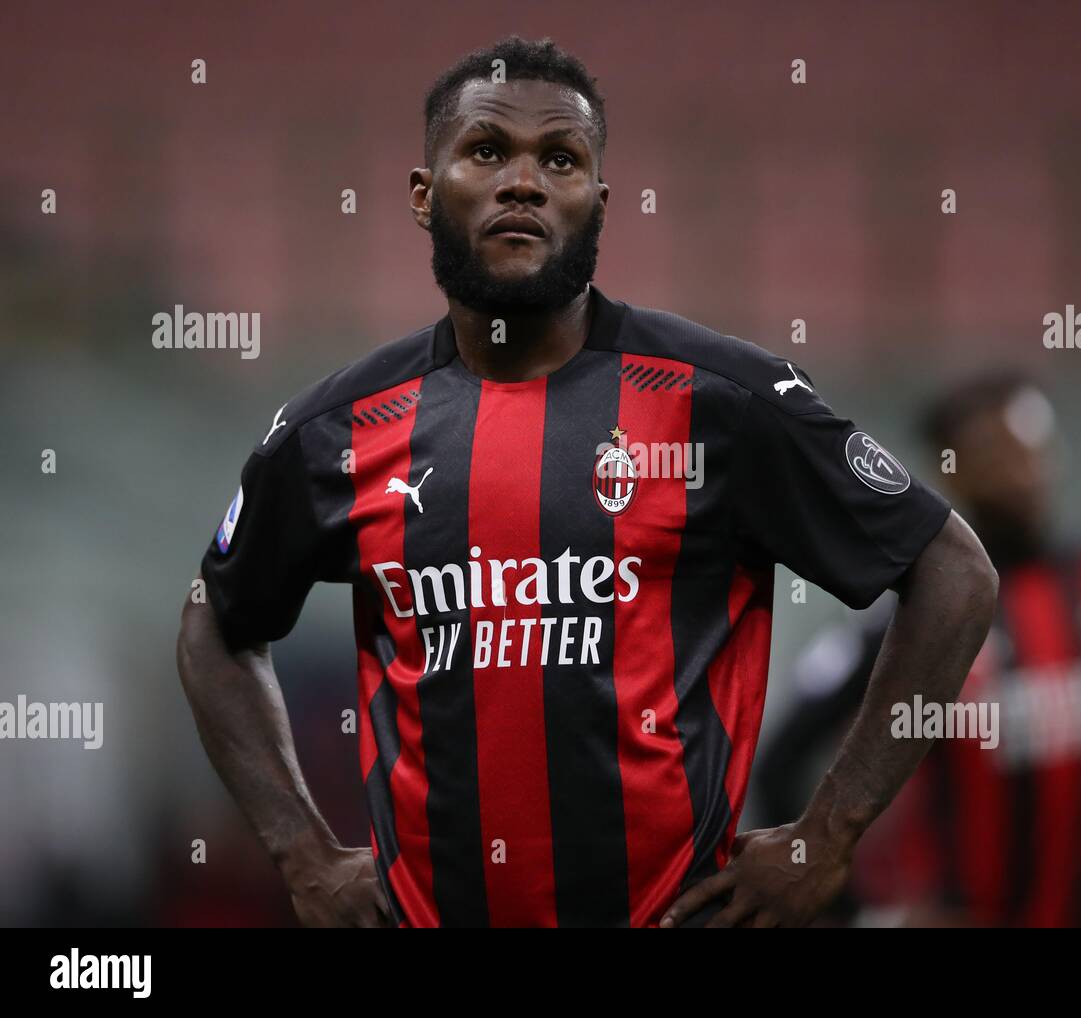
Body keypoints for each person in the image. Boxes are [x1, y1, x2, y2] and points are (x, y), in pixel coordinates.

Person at [176, 35, 997, 928]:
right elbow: (215, 624)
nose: (522, 182)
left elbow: (952, 575)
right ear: (424, 194)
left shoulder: (722, 403)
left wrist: (827, 834)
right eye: (487, 150)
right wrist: (301, 852)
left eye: (559, 160)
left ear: (598, 204)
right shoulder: (339, 429)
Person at [755, 371, 1081, 926]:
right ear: (950, 469)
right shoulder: (908, 619)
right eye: (996, 453)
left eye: (1033, 448)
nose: (1023, 472)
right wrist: (868, 916)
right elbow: (780, 764)